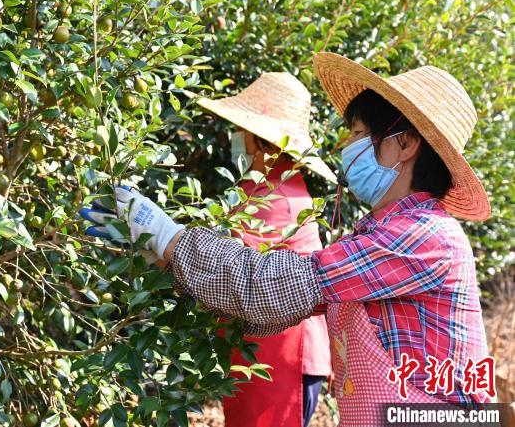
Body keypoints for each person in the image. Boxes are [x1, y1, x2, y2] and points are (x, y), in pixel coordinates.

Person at [81, 53, 496, 425]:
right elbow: (274, 307)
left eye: (356, 133)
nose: (347, 148)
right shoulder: (389, 232)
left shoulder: (421, 237)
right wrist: (166, 255)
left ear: (404, 143)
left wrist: (169, 237)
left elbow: (272, 284)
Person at [185, 73, 333, 427]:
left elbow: (229, 269)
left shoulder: (276, 197)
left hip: (281, 360)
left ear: (263, 142)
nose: (237, 140)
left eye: (243, 132)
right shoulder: (270, 187)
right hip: (267, 358)